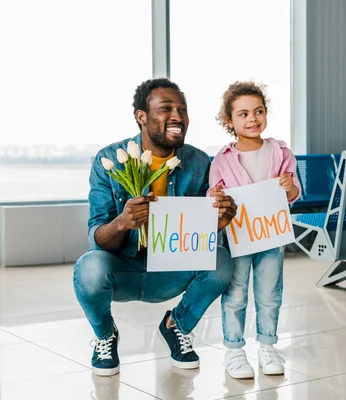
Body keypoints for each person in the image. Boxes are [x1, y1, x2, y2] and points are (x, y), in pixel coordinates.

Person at [73, 77, 238, 377]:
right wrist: (123, 222)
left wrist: (220, 223)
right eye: (165, 109)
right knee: (89, 268)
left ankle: (177, 326)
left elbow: (202, 238)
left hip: (171, 270)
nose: (177, 116)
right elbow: (98, 237)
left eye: (182, 109)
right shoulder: (109, 160)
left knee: (221, 260)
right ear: (142, 117)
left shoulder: (199, 162)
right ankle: (105, 335)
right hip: (123, 267)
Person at [208, 81, 301, 379]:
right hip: (238, 237)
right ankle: (234, 351)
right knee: (235, 294)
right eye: (244, 114)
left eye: (259, 111)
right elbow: (215, 196)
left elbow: (293, 192)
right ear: (229, 120)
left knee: (270, 293)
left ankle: (267, 345)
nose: (253, 119)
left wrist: (290, 188)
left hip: (272, 236)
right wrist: (216, 198)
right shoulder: (222, 159)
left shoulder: (281, 152)